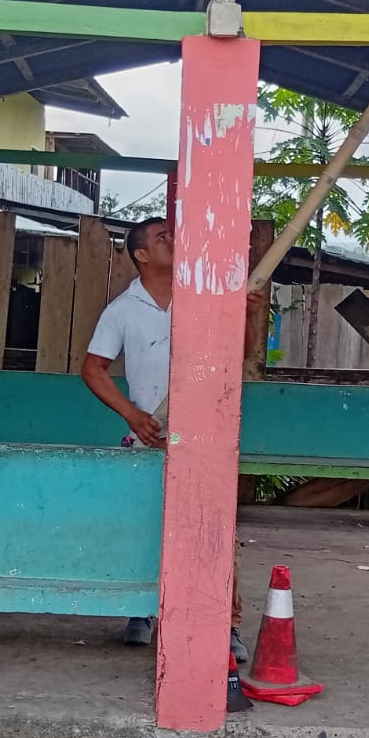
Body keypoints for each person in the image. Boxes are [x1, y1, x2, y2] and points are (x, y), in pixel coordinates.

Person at [80, 216, 257, 662]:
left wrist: (248, 315)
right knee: (144, 527)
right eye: (163, 238)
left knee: (215, 532)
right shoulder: (123, 310)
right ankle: (140, 611)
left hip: (204, 436)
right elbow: (92, 369)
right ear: (141, 255)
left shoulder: (203, 298)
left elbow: (238, 353)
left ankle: (226, 625)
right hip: (151, 436)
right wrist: (132, 414)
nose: (174, 240)